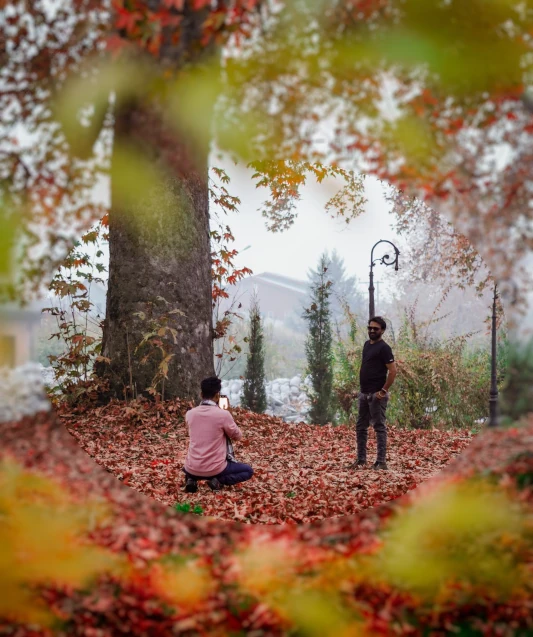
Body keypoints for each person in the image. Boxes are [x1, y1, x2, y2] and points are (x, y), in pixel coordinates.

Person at [182, 376, 253, 492]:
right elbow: (237, 436)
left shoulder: (190, 414)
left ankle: (191, 479)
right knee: (248, 471)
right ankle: (218, 480)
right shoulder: (223, 415)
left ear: (201, 394)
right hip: (215, 468)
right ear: (217, 396)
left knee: (194, 465)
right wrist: (229, 415)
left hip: (191, 467)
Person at [349, 316, 397, 471]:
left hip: (377, 395)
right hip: (363, 394)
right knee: (360, 427)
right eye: (370, 328)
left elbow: (393, 371)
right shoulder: (366, 345)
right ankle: (361, 460)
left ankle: (381, 462)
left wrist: (383, 391)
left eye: (375, 329)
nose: (372, 330)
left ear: (382, 330)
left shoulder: (385, 348)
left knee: (379, 427)